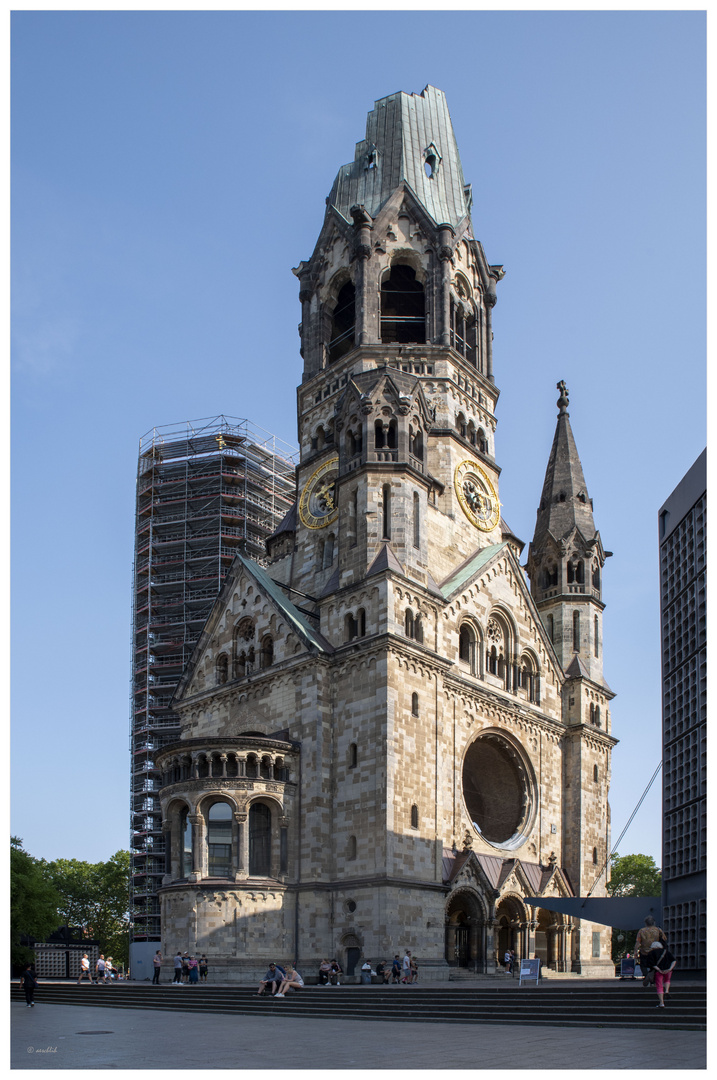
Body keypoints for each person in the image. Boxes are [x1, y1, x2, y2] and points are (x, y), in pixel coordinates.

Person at [635, 916, 667, 985]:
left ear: (645, 923)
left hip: (644, 952)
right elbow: (664, 939)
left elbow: (638, 942)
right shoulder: (658, 930)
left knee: (643, 965)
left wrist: (635, 952)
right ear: (654, 922)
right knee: (654, 965)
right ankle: (652, 979)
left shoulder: (641, 931)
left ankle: (646, 975)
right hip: (655, 951)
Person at [650, 939, 677, 1007]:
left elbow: (651, 964)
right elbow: (674, 960)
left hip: (658, 971)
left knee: (659, 985)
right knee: (667, 980)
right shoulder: (666, 952)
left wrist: (659, 969)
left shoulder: (652, 953)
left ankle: (661, 1003)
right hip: (668, 970)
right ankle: (667, 991)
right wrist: (670, 968)